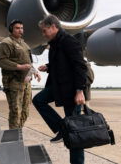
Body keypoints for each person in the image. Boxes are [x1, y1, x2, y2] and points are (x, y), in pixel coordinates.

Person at [32, 15, 87, 164]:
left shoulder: (69, 41)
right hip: (59, 86)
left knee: (74, 131)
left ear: (53, 27)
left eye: (44, 30)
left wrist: (80, 90)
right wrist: (49, 67)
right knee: (38, 100)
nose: (43, 34)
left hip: (72, 91)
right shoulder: (55, 43)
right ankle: (61, 129)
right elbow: (63, 64)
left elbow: (80, 67)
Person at [0, 19, 40, 129]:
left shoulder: (24, 44)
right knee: (15, 111)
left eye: (21, 28)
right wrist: (19, 67)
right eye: (17, 28)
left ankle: (17, 133)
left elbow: (28, 62)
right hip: (14, 82)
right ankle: (13, 138)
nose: (20, 30)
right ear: (11, 29)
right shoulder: (6, 43)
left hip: (26, 82)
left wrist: (34, 71)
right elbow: (1, 61)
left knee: (25, 112)